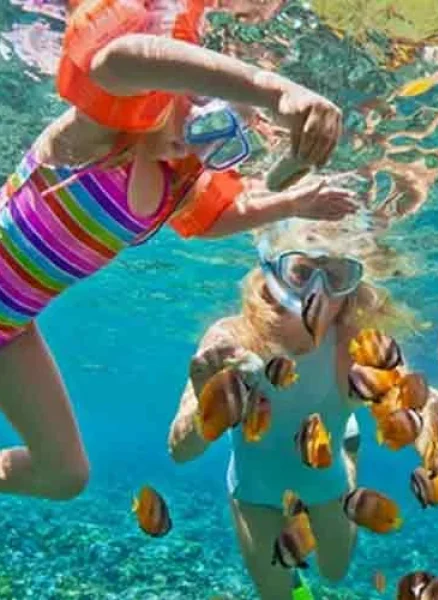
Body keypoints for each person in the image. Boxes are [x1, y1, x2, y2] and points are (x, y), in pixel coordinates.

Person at [0, 0, 361, 502]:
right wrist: (275, 90)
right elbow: (119, 58)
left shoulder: (171, 184)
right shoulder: (99, 136)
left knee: (63, 475)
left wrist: (292, 202)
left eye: (217, 136)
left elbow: (218, 218)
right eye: (197, 105)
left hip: (11, 329)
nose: (195, 136)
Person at [167, 220, 414, 600]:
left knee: (334, 573)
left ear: (352, 289)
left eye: (335, 276)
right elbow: (179, 452)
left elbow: (412, 402)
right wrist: (207, 402)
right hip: (254, 487)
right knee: (277, 596)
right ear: (272, 273)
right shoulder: (231, 338)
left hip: (326, 478)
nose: (317, 291)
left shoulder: (359, 344)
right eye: (301, 272)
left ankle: (347, 452)